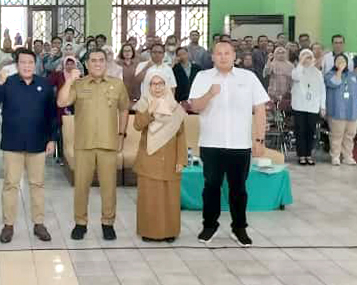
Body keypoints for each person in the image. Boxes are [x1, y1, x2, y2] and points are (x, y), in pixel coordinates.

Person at [187, 41, 269, 247]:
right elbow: (194, 107)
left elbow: (260, 110)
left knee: (238, 189)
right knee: (211, 187)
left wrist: (259, 139)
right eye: (218, 53)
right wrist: (209, 94)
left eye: (227, 53)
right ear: (212, 57)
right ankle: (209, 226)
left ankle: (239, 228)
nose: (223, 57)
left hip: (240, 144)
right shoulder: (203, 77)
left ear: (235, 56)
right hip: (211, 143)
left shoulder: (248, 78)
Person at [57, 49, 130, 241]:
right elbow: (61, 101)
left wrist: (122, 133)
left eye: (101, 60)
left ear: (105, 63)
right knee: (81, 186)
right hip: (84, 144)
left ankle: (108, 223)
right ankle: (80, 223)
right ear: (87, 64)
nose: (97, 64)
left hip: (108, 143)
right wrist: (70, 80)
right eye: (93, 61)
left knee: (109, 187)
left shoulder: (117, 85)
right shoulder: (79, 84)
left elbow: (124, 109)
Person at [0, 48, 57, 244]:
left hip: (38, 142)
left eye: (30, 62)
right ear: (17, 65)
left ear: (34, 65)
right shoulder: (8, 83)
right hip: (13, 143)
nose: (27, 66)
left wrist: (52, 138)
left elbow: (52, 115)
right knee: (10, 184)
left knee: (37, 184)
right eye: (23, 62)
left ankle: (39, 223)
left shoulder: (44, 84)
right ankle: (8, 225)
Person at [133, 75, 187, 242]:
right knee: (149, 197)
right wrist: (150, 110)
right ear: (148, 86)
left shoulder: (175, 107)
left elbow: (181, 135)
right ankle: (149, 232)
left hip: (170, 158)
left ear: (166, 86)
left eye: (160, 84)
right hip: (149, 158)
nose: (157, 87)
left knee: (169, 197)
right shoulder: (143, 104)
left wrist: (181, 160)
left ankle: (170, 232)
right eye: (153, 84)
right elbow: (137, 125)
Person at [326, 54, 357, 166]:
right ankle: (335, 156)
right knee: (336, 135)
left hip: (353, 110)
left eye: (343, 60)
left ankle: (347, 156)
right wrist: (339, 71)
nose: (341, 62)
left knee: (350, 135)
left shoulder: (354, 75)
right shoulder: (329, 75)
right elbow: (335, 83)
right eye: (338, 60)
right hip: (337, 110)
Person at [290, 49, 326, 166]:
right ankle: (301, 155)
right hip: (299, 106)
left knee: (311, 131)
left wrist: (322, 106)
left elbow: (322, 90)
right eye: (305, 57)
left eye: (309, 57)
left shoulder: (317, 72)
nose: (307, 59)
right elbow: (296, 77)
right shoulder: (297, 70)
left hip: (313, 107)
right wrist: (301, 63)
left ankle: (308, 154)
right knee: (300, 131)